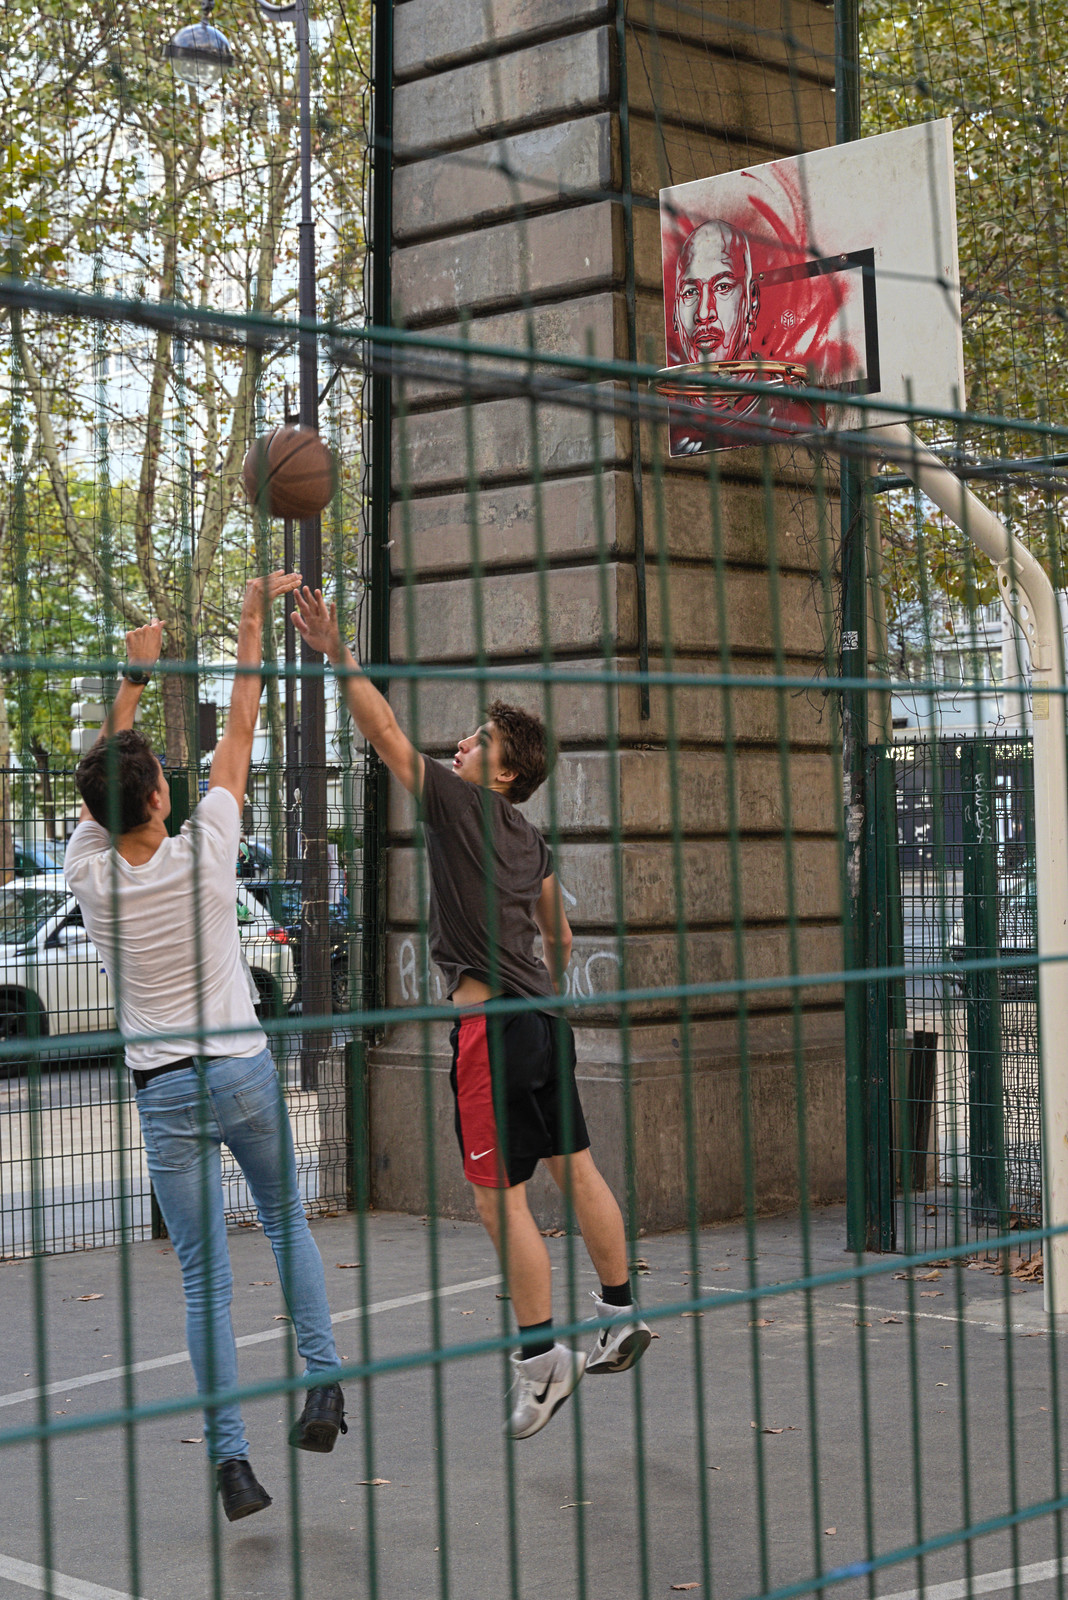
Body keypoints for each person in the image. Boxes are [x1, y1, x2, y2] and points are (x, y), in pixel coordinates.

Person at [292, 585, 650, 1441]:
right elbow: (559, 930)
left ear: (503, 772)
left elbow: (382, 733)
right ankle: (621, 1308)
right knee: (579, 1168)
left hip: (489, 1031)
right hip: (545, 1024)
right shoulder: (531, 838)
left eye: (479, 739)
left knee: (500, 1203)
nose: (465, 742)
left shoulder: (460, 807)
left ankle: (542, 1363)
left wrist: (337, 652)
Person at [64, 574, 346, 1523]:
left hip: (164, 1092)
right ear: (157, 793)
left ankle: (231, 1463)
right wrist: (255, 617)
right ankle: (325, 1383)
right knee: (285, 1224)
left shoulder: (90, 876)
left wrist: (131, 681)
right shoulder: (207, 848)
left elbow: (101, 780)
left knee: (202, 1279)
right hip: (242, 1070)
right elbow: (241, 722)